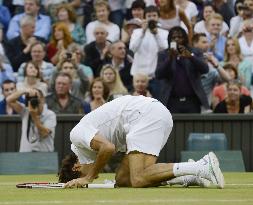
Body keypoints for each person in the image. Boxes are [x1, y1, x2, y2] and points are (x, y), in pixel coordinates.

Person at [58, 95, 224, 189]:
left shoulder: (76, 135)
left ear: (76, 167)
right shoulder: (87, 147)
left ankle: (202, 166)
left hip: (145, 115)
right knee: (123, 180)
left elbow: (108, 148)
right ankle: (189, 176)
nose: (97, 176)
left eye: (79, 177)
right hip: (152, 116)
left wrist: (88, 177)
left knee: (138, 179)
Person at [156, 26, 209, 113]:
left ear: (185, 38)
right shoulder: (163, 54)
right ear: (170, 39)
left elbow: (205, 69)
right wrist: (170, 58)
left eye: (180, 37)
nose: (177, 39)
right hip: (171, 101)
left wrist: (191, 57)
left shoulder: (195, 52)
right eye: (174, 37)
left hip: (192, 101)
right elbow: (158, 74)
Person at [129, 5, 168, 98]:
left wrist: (156, 34)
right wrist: (142, 32)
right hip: (138, 77)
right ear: (144, 18)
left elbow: (165, 49)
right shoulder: (137, 32)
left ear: (158, 17)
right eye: (149, 16)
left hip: (154, 76)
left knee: (156, 104)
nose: (151, 18)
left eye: (154, 16)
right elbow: (132, 48)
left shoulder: (164, 33)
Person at [6, 88, 56, 152]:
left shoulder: (50, 114)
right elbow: (8, 100)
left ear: (42, 99)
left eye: (35, 97)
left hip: (44, 156)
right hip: (25, 155)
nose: (33, 100)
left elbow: (44, 133)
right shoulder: (25, 111)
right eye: (30, 98)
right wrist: (25, 90)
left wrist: (34, 116)